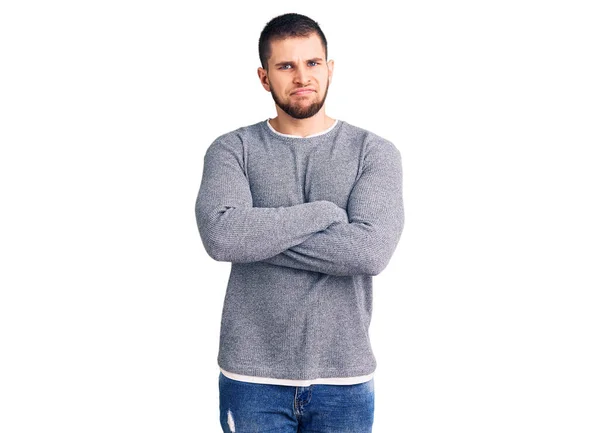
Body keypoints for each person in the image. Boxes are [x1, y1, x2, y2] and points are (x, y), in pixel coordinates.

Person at [195, 12, 404, 433]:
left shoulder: (374, 152)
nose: (301, 76)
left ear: (329, 69)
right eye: (286, 66)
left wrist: (258, 237)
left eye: (312, 63)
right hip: (251, 377)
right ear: (264, 76)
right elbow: (222, 237)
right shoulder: (232, 150)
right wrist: (325, 214)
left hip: (344, 376)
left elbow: (370, 251)